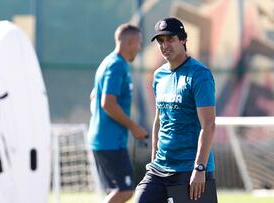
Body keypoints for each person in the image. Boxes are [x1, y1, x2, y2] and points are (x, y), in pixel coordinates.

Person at [134, 17, 217, 202]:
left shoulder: (200, 75)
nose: (165, 45)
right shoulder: (159, 75)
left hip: (189, 169)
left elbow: (209, 125)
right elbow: (159, 120)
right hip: (160, 168)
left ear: (183, 40)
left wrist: (199, 168)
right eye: (160, 41)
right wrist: (154, 159)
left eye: (170, 39)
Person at [88, 23, 148, 203]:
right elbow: (107, 102)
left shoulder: (109, 62)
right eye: (139, 43)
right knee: (125, 191)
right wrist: (134, 127)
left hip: (106, 140)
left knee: (118, 191)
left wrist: (99, 118)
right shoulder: (116, 66)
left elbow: (94, 96)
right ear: (131, 42)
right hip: (109, 142)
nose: (139, 48)